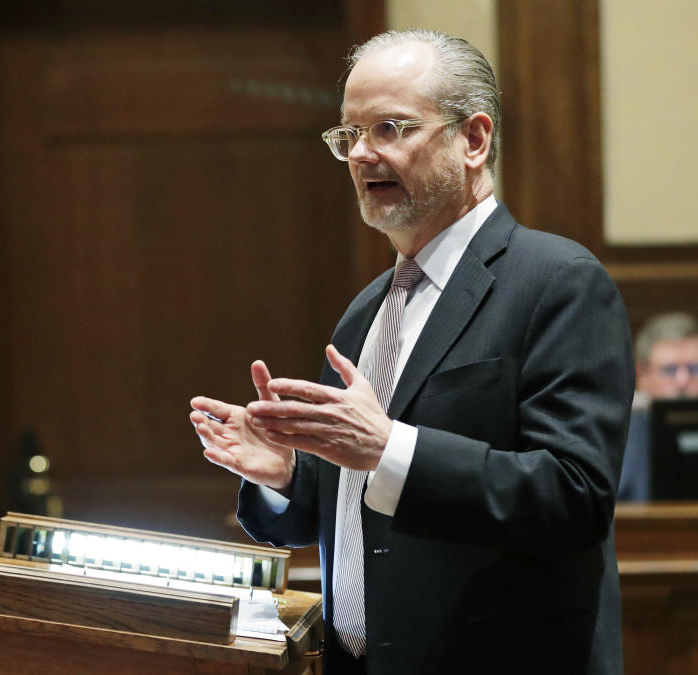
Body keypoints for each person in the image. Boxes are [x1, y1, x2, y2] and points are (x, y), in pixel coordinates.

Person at [190, 29, 634, 675]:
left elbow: (574, 495)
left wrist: (389, 447)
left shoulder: (557, 281)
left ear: (474, 139)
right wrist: (289, 476)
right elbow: (358, 515)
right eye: (349, 135)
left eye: (390, 128)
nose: (363, 154)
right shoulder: (364, 312)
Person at [617, 312, 698, 501]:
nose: (682, 380)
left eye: (694, 369)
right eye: (669, 370)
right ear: (641, 375)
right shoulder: (619, 436)